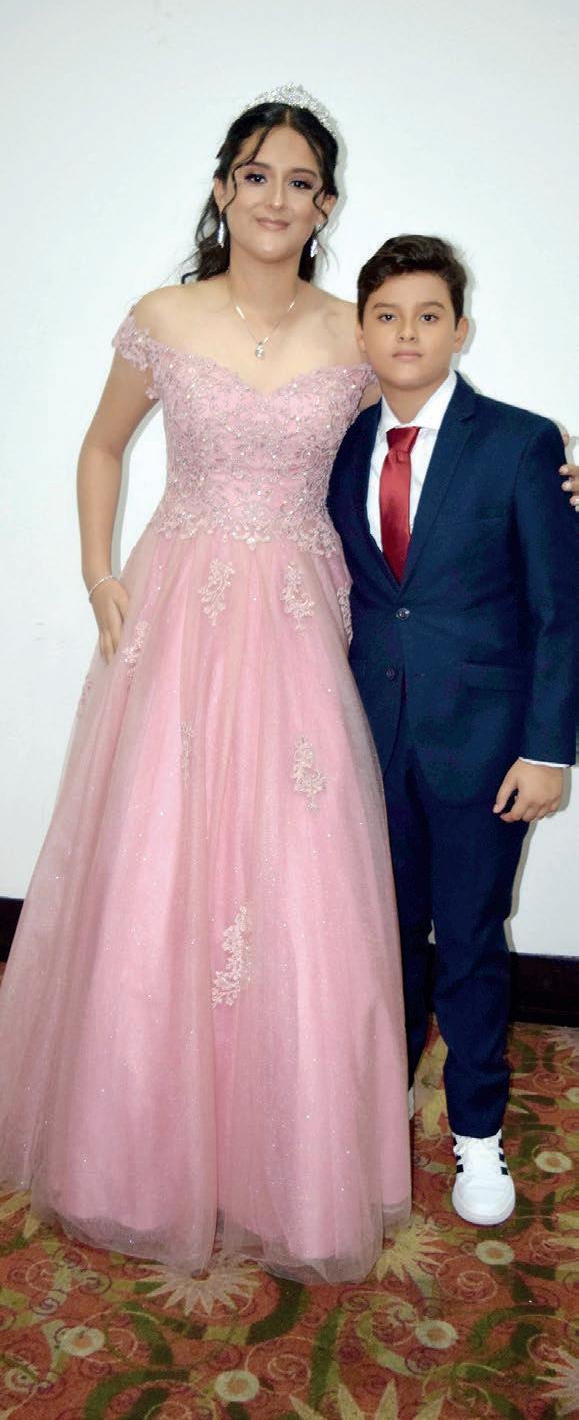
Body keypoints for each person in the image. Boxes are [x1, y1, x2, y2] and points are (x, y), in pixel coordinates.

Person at [0, 89, 412, 1285]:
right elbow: (101, 445)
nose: (276, 196)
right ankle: (131, 1158)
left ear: (326, 206)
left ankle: (289, 1167)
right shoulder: (162, 317)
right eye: (256, 173)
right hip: (178, 608)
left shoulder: (355, 332)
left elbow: (434, 433)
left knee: (300, 871)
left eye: (300, 180)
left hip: (297, 619)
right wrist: (97, 573)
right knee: (157, 859)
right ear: (224, 188)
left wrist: (555, 474)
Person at [328, 234, 578, 1228]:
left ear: (460, 329)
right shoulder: (337, 445)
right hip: (365, 737)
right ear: (360, 331)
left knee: (469, 937)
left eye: (428, 315)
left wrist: (548, 749)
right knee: (378, 936)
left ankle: (477, 1129)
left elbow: (560, 608)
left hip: (484, 749)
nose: (407, 333)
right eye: (386, 315)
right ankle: (379, 1099)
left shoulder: (520, 442)